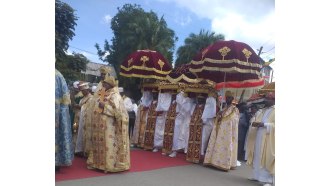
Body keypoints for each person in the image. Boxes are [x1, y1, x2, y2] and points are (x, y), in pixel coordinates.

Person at [87, 74, 130, 173]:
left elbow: (118, 113)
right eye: (103, 83)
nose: (103, 84)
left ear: (110, 84)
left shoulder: (115, 96)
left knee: (108, 145)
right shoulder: (101, 93)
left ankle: (108, 165)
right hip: (98, 126)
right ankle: (98, 163)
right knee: (98, 144)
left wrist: (105, 107)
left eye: (105, 83)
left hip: (109, 127)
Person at [203, 91, 240, 171]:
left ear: (232, 99)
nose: (228, 99)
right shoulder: (223, 108)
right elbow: (219, 118)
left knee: (225, 146)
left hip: (228, 132)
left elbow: (233, 119)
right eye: (227, 98)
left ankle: (224, 164)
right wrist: (219, 115)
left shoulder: (235, 109)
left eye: (230, 98)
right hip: (220, 130)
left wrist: (222, 117)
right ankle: (214, 161)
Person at [245, 92, 275, 185]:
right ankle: (256, 175)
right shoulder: (263, 110)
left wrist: (264, 124)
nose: (266, 100)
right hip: (259, 135)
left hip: (268, 137)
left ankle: (268, 180)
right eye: (265, 98)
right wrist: (255, 123)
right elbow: (257, 119)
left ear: (273, 100)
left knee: (266, 157)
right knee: (257, 155)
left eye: (268, 98)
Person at [55, 69, 74, 171]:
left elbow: (66, 99)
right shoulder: (59, 75)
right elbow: (66, 98)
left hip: (56, 113)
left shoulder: (58, 75)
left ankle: (56, 163)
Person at [168, 91, 195, 158]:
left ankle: (186, 150)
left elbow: (188, 109)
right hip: (179, 118)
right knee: (176, 134)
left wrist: (187, 99)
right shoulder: (180, 95)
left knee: (187, 134)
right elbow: (181, 107)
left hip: (187, 118)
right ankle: (175, 150)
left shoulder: (191, 98)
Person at [74, 82, 93, 157]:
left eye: (83, 91)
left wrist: (80, 107)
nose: (82, 92)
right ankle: (78, 149)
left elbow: (89, 109)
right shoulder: (82, 99)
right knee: (77, 132)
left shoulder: (91, 98)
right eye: (81, 91)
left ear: (87, 90)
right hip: (78, 119)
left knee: (85, 135)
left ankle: (85, 151)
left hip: (86, 120)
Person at [161, 90, 178, 155]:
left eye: (174, 95)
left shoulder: (177, 103)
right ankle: (166, 150)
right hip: (168, 122)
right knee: (167, 136)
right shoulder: (170, 103)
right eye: (172, 96)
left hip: (174, 122)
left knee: (174, 136)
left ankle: (173, 151)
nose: (173, 97)